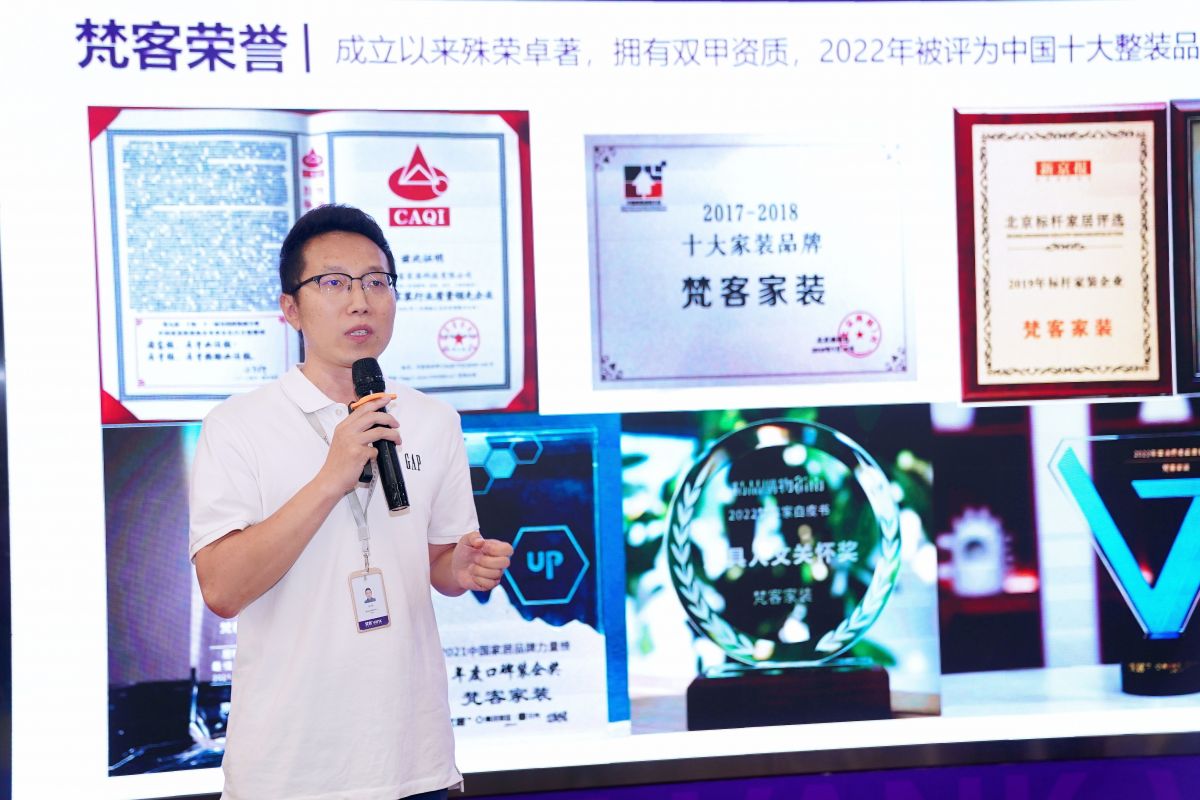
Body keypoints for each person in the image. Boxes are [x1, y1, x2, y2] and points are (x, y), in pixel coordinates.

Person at [189, 204, 513, 800]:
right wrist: (330, 477)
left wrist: (461, 567)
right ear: (291, 309)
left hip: (413, 761)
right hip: (289, 772)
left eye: (376, 282)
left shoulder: (434, 420)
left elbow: (439, 563)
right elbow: (223, 589)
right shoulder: (237, 426)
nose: (360, 301)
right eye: (334, 283)